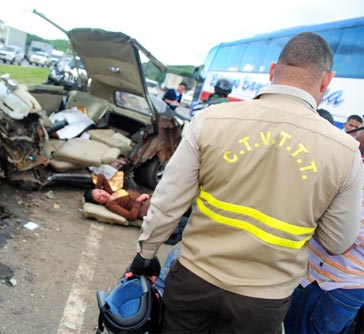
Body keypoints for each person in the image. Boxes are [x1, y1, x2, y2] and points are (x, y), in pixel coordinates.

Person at [127, 32, 362, 333]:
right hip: (263, 300)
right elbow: (337, 241)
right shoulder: (344, 151)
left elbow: (168, 199)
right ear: (326, 81)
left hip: (195, 279)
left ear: (273, 70)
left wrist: (145, 254)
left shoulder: (213, 119)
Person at [283, 128, 364, 334]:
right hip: (317, 278)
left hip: (336, 286)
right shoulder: (353, 164)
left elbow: (344, 236)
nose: (357, 134)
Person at [83, 173, 151, 221]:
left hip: (147, 199)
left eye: (100, 191)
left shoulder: (110, 193)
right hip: (144, 208)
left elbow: (101, 176)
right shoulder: (111, 205)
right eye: (99, 198)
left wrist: (96, 190)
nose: (103, 194)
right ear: (100, 203)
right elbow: (131, 216)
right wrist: (139, 200)